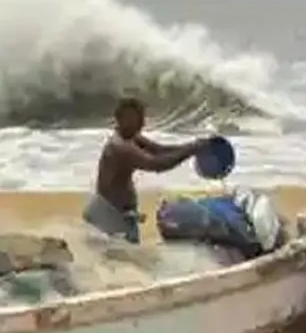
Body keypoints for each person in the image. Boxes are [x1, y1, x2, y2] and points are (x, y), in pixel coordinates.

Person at [82, 97, 212, 243]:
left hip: (117, 213)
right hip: (109, 217)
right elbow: (157, 164)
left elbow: (160, 150)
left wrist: (193, 146)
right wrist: (191, 150)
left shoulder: (130, 138)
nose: (142, 124)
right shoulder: (120, 148)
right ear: (120, 119)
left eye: (142, 119)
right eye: (137, 120)